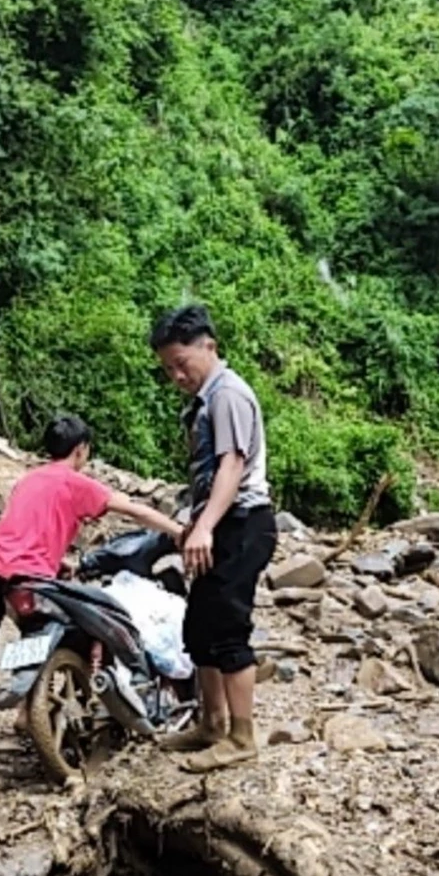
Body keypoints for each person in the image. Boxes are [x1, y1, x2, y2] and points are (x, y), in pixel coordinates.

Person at [0, 414, 183, 753]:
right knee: (73, 632)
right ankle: (31, 713)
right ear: (80, 450)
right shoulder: (77, 482)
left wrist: (56, 560)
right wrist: (180, 532)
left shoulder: (28, 479)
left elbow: (26, 527)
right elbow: (133, 510)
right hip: (27, 578)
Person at [150, 304, 276, 770]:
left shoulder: (228, 395)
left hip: (243, 524)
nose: (177, 376)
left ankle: (242, 736)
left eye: (182, 363)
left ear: (209, 346)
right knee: (199, 627)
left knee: (227, 628)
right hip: (218, 524)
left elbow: (232, 465)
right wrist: (195, 523)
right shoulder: (204, 401)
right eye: (168, 369)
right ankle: (211, 723)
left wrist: (203, 527)